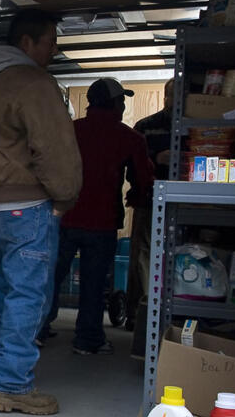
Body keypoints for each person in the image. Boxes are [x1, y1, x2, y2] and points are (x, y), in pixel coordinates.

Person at [0, 10, 82, 415]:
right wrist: (64, 196)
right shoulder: (34, 83)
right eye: (50, 41)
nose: (54, 50)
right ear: (26, 43)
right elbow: (55, 148)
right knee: (28, 296)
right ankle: (11, 383)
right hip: (27, 206)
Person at [39, 77, 155, 355]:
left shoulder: (68, 130)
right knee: (92, 283)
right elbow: (145, 179)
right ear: (115, 103)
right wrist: (135, 199)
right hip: (101, 222)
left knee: (49, 277)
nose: (124, 105)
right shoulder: (130, 138)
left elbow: (46, 166)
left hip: (62, 216)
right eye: (122, 101)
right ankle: (87, 340)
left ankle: (36, 329)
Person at [127, 78, 174, 358]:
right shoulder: (145, 127)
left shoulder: (199, 125)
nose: (172, 99)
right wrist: (157, 159)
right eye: (169, 94)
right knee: (143, 254)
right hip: (149, 200)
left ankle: (171, 316)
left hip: (186, 203)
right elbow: (131, 169)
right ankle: (140, 314)